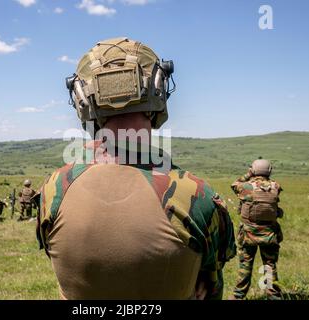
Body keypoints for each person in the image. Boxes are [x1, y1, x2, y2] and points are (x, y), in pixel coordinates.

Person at [37, 37, 236, 300]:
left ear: (82, 97)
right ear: (159, 88)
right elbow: (210, 284)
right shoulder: (196, 196)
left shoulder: (54, 189)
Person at [229, 159, 284, 300]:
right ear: (269, 170)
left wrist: (248, 175)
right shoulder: (275, 186)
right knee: (270, 265)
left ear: (253, 170)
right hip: (270, 234)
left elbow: (234, 184)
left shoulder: (247, 186)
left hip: (248, 234)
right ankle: (272, 295)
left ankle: (238, 296)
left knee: (245, 266)